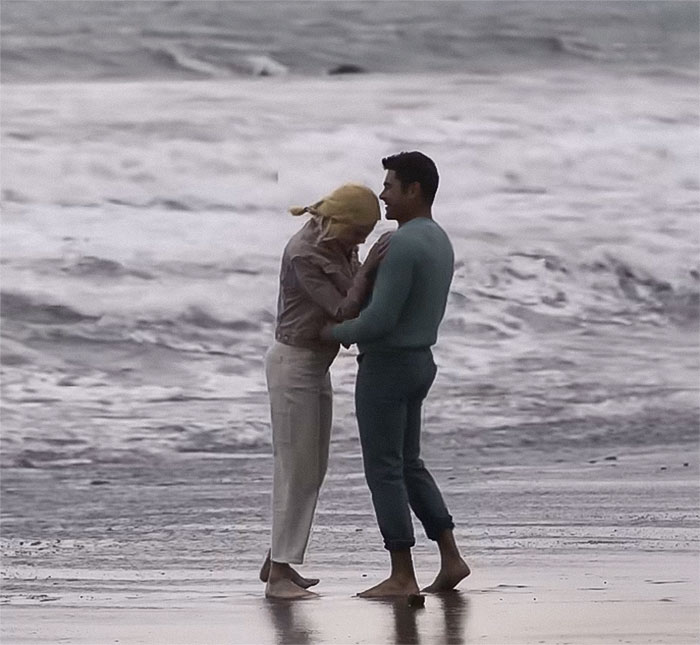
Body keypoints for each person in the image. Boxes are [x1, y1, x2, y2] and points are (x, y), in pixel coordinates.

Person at [322, 152, 470, 597]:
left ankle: (402, 574)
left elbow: (380, 321)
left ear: (414, 190)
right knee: (409, 464)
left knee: (384, 470)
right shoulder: (438, 238)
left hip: (387, 366)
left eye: (389, 186)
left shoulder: (403, 244)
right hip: (420, 362)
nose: (383, 195)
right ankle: (450, 557)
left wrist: (332, 332)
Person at [261, 183, 392, 599]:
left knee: (312, 468)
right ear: (340, 222)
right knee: (297, 467)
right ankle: (278, 577)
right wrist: (372, 267)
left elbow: (354, 297)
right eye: (359, 233)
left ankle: (277, 559)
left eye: (367, 235)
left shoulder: (338, 244)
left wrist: (367, 267)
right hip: (293, 364)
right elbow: (342, 309)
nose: (362, 243)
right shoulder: (305, 253)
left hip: (316, 365)